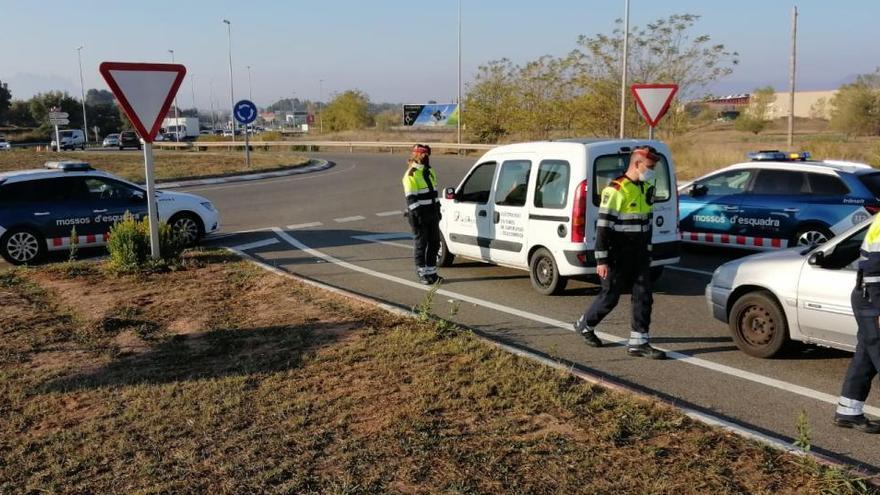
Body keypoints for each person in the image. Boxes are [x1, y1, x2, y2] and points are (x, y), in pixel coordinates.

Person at [573, 145, 666, 359]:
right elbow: (603, 228)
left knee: (643, 295)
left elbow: (647, 222)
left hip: (640, 253)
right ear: (636, 164)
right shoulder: (615, 190)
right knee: (610, 297)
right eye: (650, 167)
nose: (652, 171)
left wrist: (649, 249)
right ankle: (585, 324)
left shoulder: (645, 186)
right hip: (617, 254)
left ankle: (639, 342)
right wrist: (602, 260)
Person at [834, 214, 880, 433]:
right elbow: (873, 269)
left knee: (866, 357)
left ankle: (848, 411)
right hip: (873, 297)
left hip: (868, 297)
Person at [402, 144, 442, 284]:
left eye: (427, 155)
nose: (426, 157)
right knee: (421, 245)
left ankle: (432, 272)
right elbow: (411, 199)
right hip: (419, 215)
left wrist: (438, 209)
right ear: (416, 156)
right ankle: (422, 273)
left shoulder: (430, 171)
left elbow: (434, 193)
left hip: (432, 213)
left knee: (435, 243)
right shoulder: (411, 174)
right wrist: (419, 216)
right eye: (423, 155)